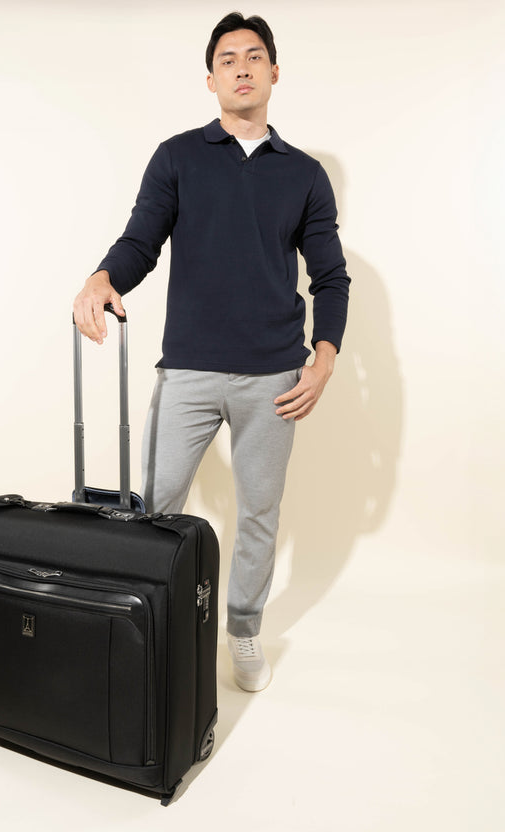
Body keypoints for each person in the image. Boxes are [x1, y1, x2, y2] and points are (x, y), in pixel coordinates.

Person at [73, 12, 350, 692]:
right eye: (228, 59)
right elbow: (141, 240)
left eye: (254, 57)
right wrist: (103, 277)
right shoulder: (177, 157)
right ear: (211, 79)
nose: (242, 68)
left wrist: (324, 358)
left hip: (274, 378)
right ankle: (139, 625)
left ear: (274, 72)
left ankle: (244, 630)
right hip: (188, 370)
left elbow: (330, 276)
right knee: (153, 507)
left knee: (258, 513)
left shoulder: (305, 175)